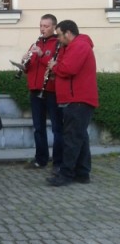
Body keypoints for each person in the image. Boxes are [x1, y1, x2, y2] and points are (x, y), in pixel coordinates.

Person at [46, 20, 98, 187]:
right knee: (80, 137)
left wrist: (54, 66)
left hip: (78, 100)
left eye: (60, 35)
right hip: (76, 99)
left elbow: (68, 69)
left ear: (68, 33)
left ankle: (66, 174)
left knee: (72, 138)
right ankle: (82, 173)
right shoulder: (72, 47)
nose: (59, 39)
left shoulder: (79, 46)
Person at [24, 14, 63, 171]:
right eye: (41, 26)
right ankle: (41, 159)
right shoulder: (36, 43)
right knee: (38, 127)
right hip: (35, 90)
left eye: (46, 26)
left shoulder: (58, 44)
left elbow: (56, 65)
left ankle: (58, 161)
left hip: (51, 90)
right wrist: (24, 63)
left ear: (54, 27)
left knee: (56, 128)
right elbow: (31, 67)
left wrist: (41, 55)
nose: (42, 29)